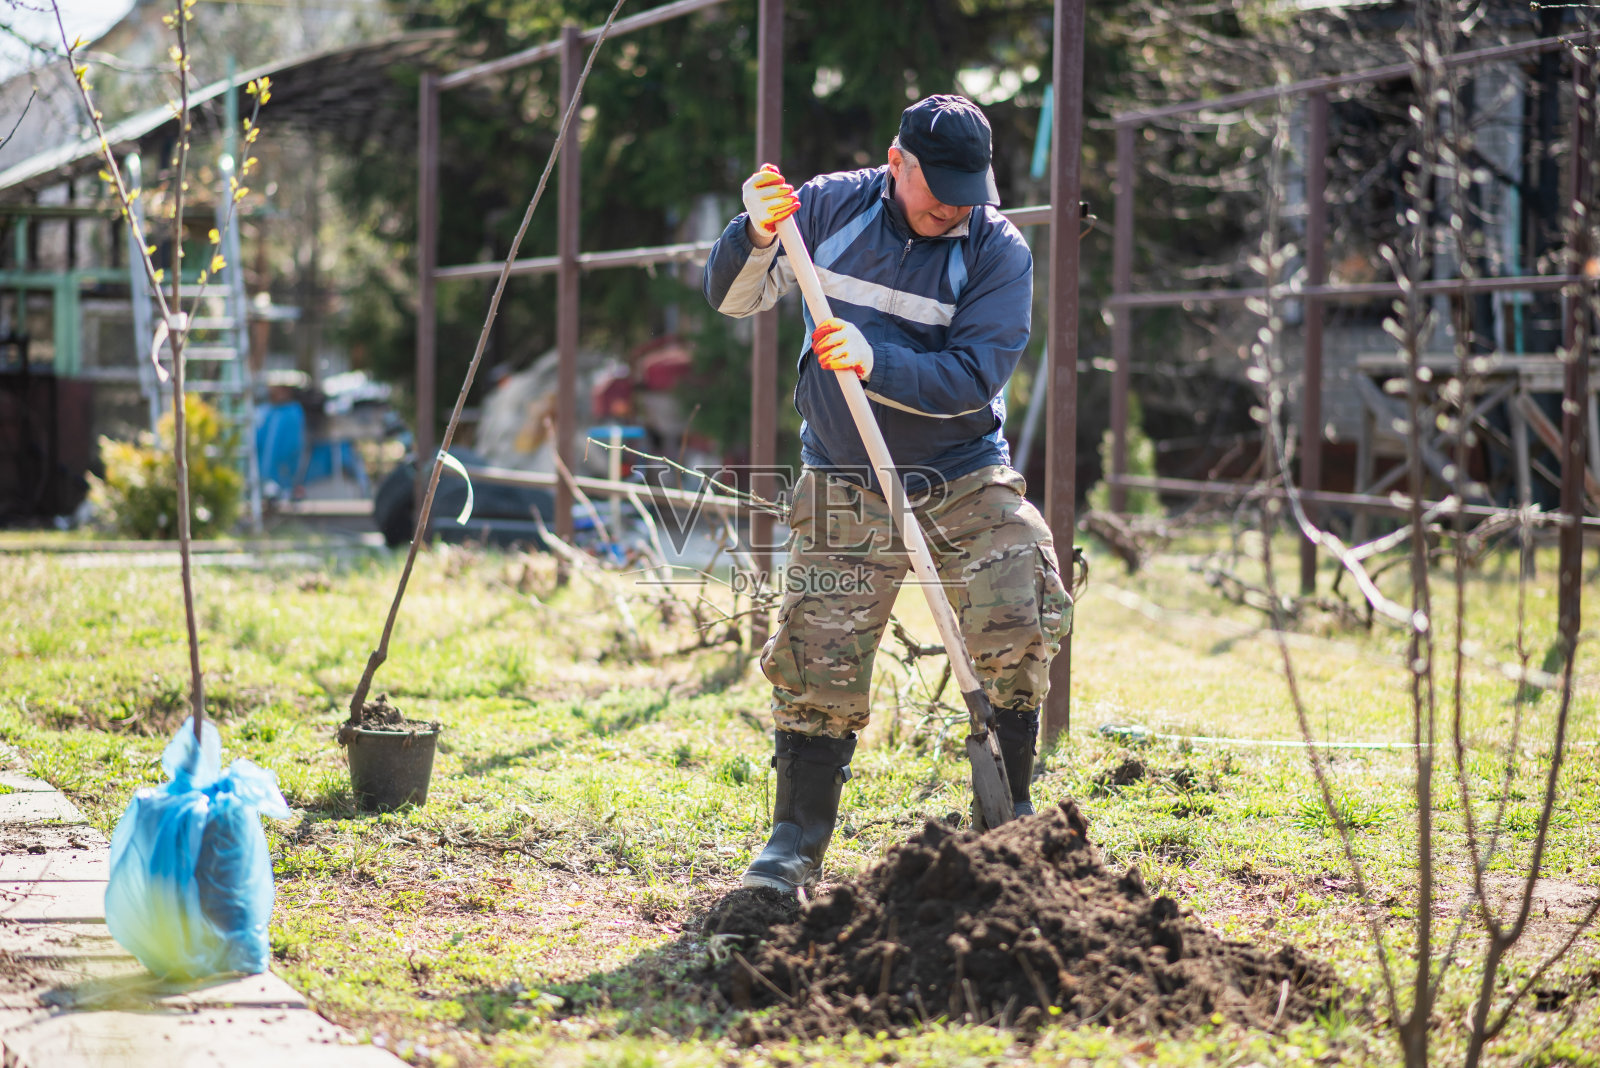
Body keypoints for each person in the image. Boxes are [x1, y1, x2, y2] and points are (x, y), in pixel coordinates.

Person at [703, 94, 1073, 894]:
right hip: (843, 475)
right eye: (935, 183)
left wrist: (877, 360)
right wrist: (759, 233)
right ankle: (794, 842)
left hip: (964, 473)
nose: (952, 204)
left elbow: (977, 378)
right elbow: (735, 298)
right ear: (896, 161)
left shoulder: (997, 249)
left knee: (1019, 606)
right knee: (817, 657)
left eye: (968, 188)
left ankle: (1005, 831)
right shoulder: (829, 206)